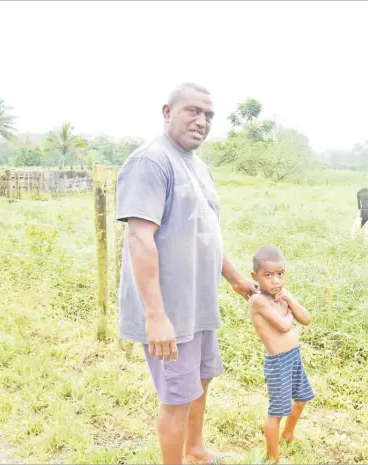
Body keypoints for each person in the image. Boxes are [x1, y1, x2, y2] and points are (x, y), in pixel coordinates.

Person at [115, 82, 258, 465]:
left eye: (208, 115)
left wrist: (236, 278)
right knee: (176, 397)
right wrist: (156, 317)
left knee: (200, 382)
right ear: (167, 112)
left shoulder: (198, 166)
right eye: (192, 111)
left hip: (199, 304)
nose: (202, 121)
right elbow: (140, 239)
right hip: (170, 310)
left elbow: (204, 233)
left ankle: (195, 452)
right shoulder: (150, 161)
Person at [248, 245, 315, 463]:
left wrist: (291, 301)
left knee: (302, 398)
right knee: (277, 411)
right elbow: (284, 325)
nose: (276, 281)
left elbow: (306, 319)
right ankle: (272, 458)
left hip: (293, 357)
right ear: (255, 277)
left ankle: (288, 434)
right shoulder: (258, 301)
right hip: (278, 362)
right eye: (268, 275)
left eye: (280, 274)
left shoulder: (283, 296)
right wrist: (289, 314)